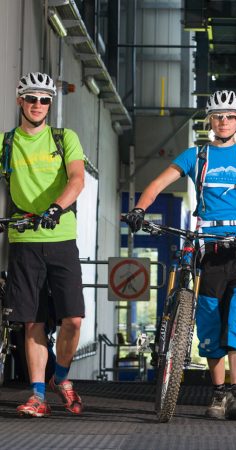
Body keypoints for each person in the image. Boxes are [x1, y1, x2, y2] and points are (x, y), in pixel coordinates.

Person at [125, 90, 236, 420]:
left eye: (230, 117)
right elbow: (157, 184)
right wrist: (139, 208)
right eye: (218, 116)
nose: (224, 122)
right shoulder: (196, 156)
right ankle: (219, 392)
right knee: (209, 317)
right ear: (210, 120)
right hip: (208, 245)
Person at [0, 72, 85, 417]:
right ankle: (38, 395)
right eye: (32, 98)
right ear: (20, 101)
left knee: (73, 319)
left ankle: (60, 379)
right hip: (24, 240)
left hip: (61, 236)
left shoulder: (64, 138)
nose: (38, 105)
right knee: (31, 321)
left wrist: (56, 208)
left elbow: (77, 179)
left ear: (50, 104)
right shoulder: (6, 143)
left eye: (45, 100)